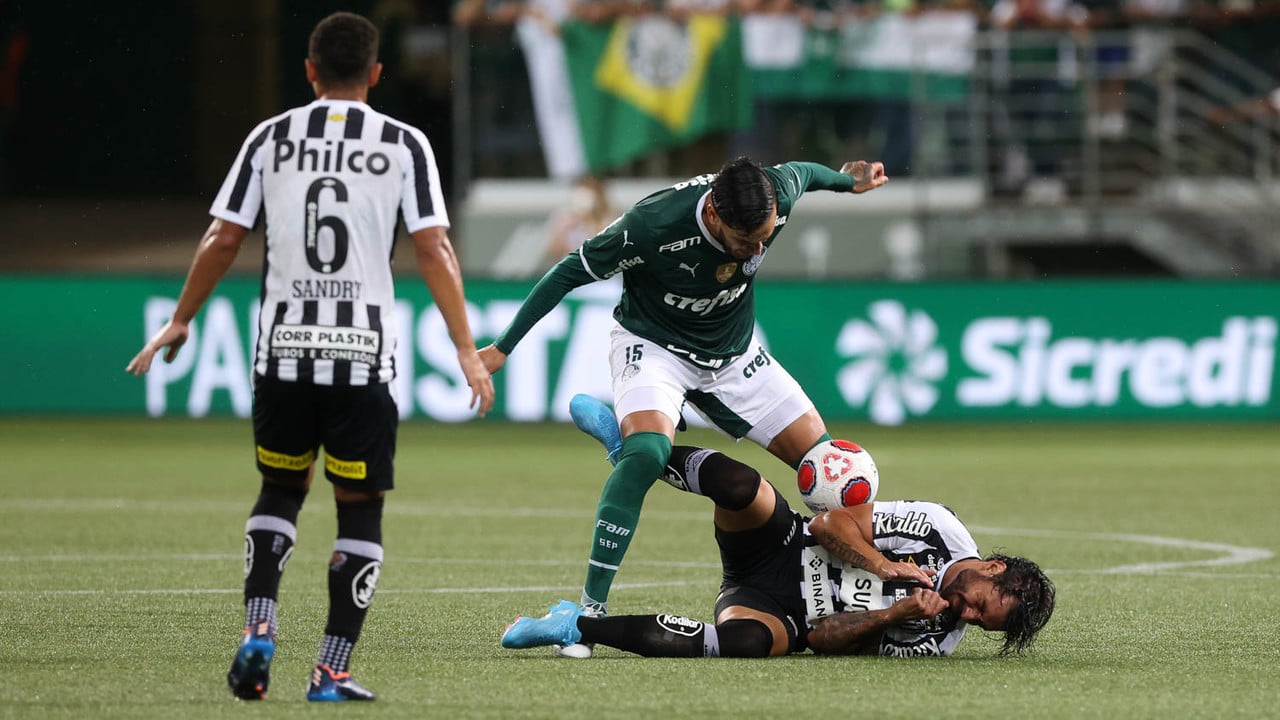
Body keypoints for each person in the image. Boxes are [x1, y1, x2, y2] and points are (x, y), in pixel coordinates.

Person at [125, 12, 494, 702]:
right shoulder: (403, 142)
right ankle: (330, 670)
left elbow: (223, 237)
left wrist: (181, 319)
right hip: (360, 362)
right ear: (377, 74)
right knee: (359, 509)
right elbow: (434, 248)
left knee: (280, 492)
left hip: (283, 357)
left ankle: (258, 629)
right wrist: (467, 349)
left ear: (309, 70)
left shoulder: (270, 138)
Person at [478, 156, 889, 657]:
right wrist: (502, 347)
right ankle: (588, 612)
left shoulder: (772, 195)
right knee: (648, 454)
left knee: (832, 470)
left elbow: (806, 171)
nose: (757, 249)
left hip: (735, 357)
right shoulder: (650, 225)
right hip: (654, 347)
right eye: (747, 241)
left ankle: (860, 594)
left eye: (765, 236)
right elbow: (567, 273)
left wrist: (851, 182)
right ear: (714, 214)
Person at [501, 436, 1056, 658]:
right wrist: (884, 565)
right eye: (981, 603)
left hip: (784, 611)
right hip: (786, 546)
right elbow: (826, 527)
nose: (967, 614)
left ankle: (574, 626)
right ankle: (635, 447)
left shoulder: (935, 639)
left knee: (743, 643)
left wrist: (893, 614)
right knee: (741, 486)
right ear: (993, 566)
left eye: (979, 623)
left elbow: (821, 638)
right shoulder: (936, 527)